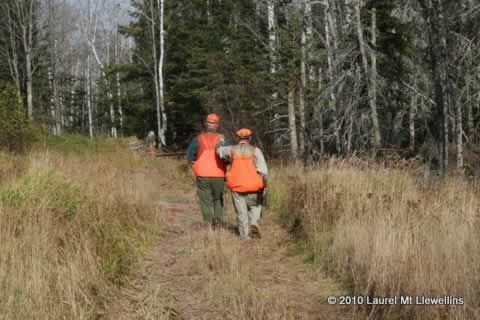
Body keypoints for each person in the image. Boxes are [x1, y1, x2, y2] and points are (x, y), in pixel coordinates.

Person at [216, 128, 268, 240]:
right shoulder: (256, 151)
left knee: (241, 212)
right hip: (254, 186)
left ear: (238, 138)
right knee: (255, 206)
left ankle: (245, 236)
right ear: (250, 138)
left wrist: (220, 142)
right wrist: (264, 187)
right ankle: (254, 223)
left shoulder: (231, 150)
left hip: (237, 187)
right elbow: (264, 171)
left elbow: (219, 151)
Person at [186, 113, 229, 227]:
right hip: (218, 174)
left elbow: (190, 156)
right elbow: (228, 157)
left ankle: (208, 225)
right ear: (217, 125)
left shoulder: (198, 138)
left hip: (202, 174)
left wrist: (196, 163)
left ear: (206, 124)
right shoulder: (222, 139)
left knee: (205, 201)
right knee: (217, 199)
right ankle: (218, 224)